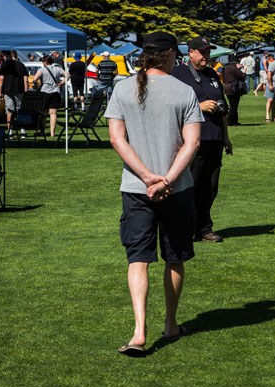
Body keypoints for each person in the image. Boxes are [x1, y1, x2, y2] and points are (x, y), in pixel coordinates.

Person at [104, 31, 203, 357]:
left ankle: (139, 332)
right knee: (174, 257)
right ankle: (171, 325)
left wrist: (147, 177)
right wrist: (167, 180)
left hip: (136, 188)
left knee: (138, 259)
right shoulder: (185, 91)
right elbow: (193, 143)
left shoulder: (122, 89)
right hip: (176, 188)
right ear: (172, 53)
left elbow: (117, 140)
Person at [172, 36, 233, 243]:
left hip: (214, 137)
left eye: (208, 52)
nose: (207, 56)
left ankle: (204, 228)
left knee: (211, 186)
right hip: (192, 140)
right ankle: (186, 227)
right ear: (191, 52)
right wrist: (199, 106)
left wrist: (226, 136)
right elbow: (170, 106)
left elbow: (222, 107)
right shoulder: (178, 74)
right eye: (203, 52)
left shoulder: (212, 74)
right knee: (192, 185)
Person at [33, 55, 67, 137]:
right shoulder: (58, 69)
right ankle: (52, 133)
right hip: (55, 92)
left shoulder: (42, 69)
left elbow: (34, 79)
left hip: (45, 92)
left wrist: (38, 86)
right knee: (53, 113)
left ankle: (42, 130)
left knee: (43, 112)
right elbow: (68, 75)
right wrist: (62, 82)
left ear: (45, 62)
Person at [0, 51, 28, 138]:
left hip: (7, 90)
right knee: (20, 110)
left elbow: (1, 79)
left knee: (9, 111)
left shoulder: (5, 65)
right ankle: (22, 131)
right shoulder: (21, 65)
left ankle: (10, 131)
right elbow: (25, 80)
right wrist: (26, 91)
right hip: (19, 90)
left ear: (8, 56)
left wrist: (0, 92)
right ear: (16, 56)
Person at [222, 54, 245, 126]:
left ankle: (235, 121)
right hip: (233, 88)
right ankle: (230, 121)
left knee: (233, 104)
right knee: (234, 105)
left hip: (227, 87)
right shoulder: (234, 68)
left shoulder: (225, 67)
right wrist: (242, 70)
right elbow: (241, 76)